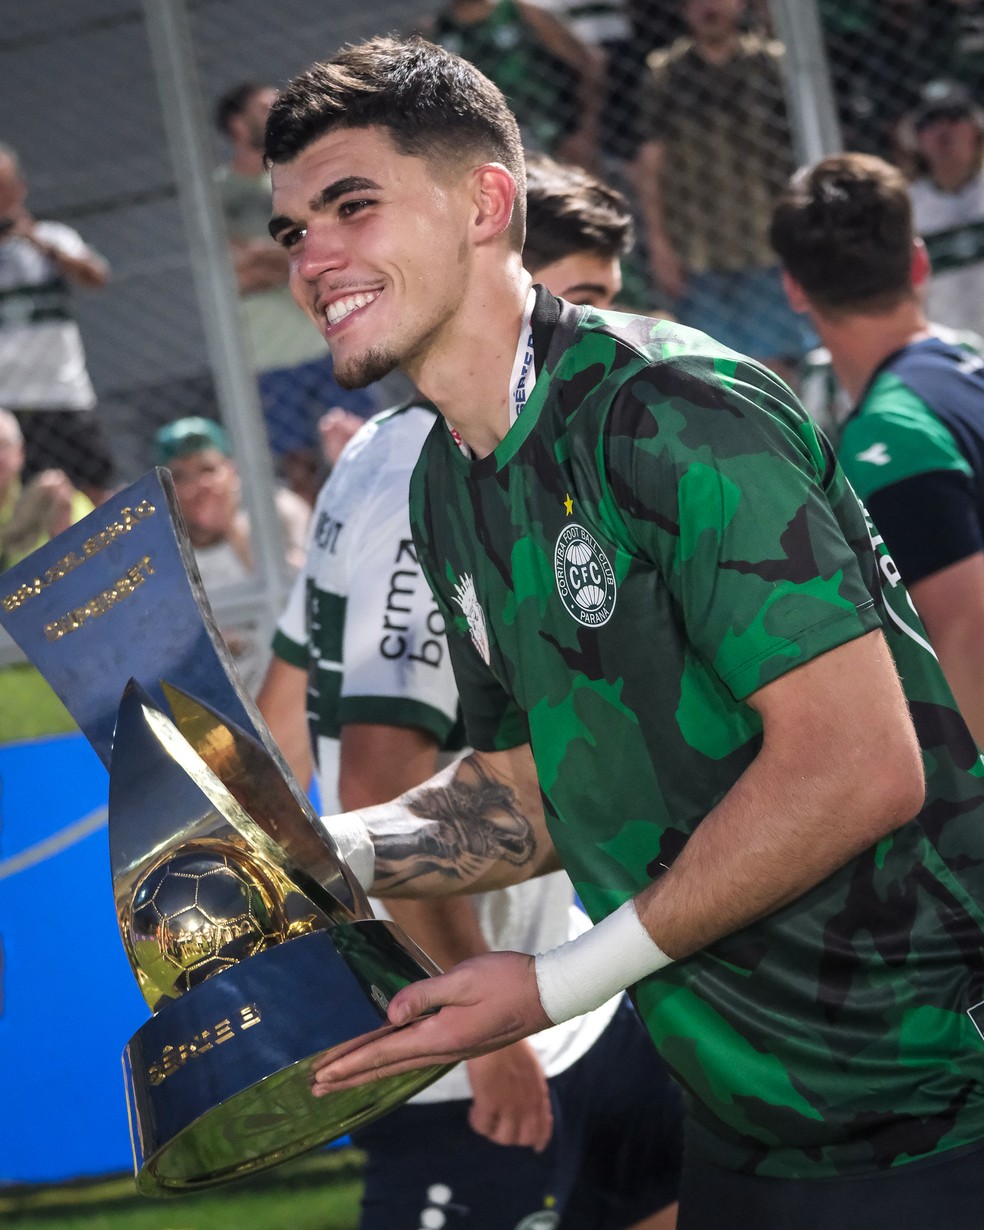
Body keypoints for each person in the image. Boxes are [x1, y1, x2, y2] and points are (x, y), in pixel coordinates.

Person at [263, 36, 984, 1228]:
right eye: (293, 229)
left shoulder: (673, 408)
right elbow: (535, 784)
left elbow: (859, 766)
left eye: (352, 205)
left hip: (933, 1109)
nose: (314, 256)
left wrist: (553, 986)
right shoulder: (452, 481)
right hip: (750, 1128)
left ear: (488, 202)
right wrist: (333, 852)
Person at [257, 151, 680, 1230]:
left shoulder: (397, 459)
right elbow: (376, 771)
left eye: (605, 306)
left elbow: (276, 726)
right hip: (477, 1026)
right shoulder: (422, 471)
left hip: (536, 994)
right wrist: (498, 1039)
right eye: (570, 302)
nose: (594, 338)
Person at [769, 150, 984, 753]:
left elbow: (967, 644)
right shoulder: (969, 365)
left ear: (793, 289)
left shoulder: (895, 434)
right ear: (918, 262)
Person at [213, 82, 378, 503]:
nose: (278, 111)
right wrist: (292, 254)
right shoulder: (218, 194)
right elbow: (231, 272)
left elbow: (324, 246)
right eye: (266, 106)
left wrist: (268, 258)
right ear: (237, 124)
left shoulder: (298, 178)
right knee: (299, 468)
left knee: (365, 441)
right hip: (268, 356)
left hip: (330, 338)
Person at [630, 0, 809, 379]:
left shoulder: (771, 65)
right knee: (712, 371)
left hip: (766, 238)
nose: (707, 7)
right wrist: (660, 244)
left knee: (777, 366)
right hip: (697, 246)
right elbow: (652, 159)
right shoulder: (666, 72)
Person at [153, 416, 310, 694]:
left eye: (208, 469)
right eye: (180, 476)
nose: (197, 485)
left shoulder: (279, 512)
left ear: (232, 470)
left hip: (291, 683)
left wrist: (230, 527)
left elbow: (303, 591)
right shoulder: (158, 549)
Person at [0, 142, 114, 506]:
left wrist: (37, 243)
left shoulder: (53, 237)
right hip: (8, 403)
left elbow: (96, 276)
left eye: (4, 187)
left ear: (20, 188)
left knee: (96, 493)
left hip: (64, 392)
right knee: (21, 502)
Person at [420, 0, 605, 169]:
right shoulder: (435, 32)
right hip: (486, 146)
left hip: (556, 136)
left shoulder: (521, 13)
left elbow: (591, 62)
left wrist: (586, 131)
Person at [0, 406, 92, 740]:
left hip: (65, 694)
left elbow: (92, 581)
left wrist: (61, 527)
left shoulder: (59, 500)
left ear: (20, 452)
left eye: (1, 445)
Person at [900, 80, 984, 338]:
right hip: (946, 350)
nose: (943, 131)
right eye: (929, 123)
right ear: (916, 138)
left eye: (955, 118)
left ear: (976, 127)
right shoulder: (905, 208)